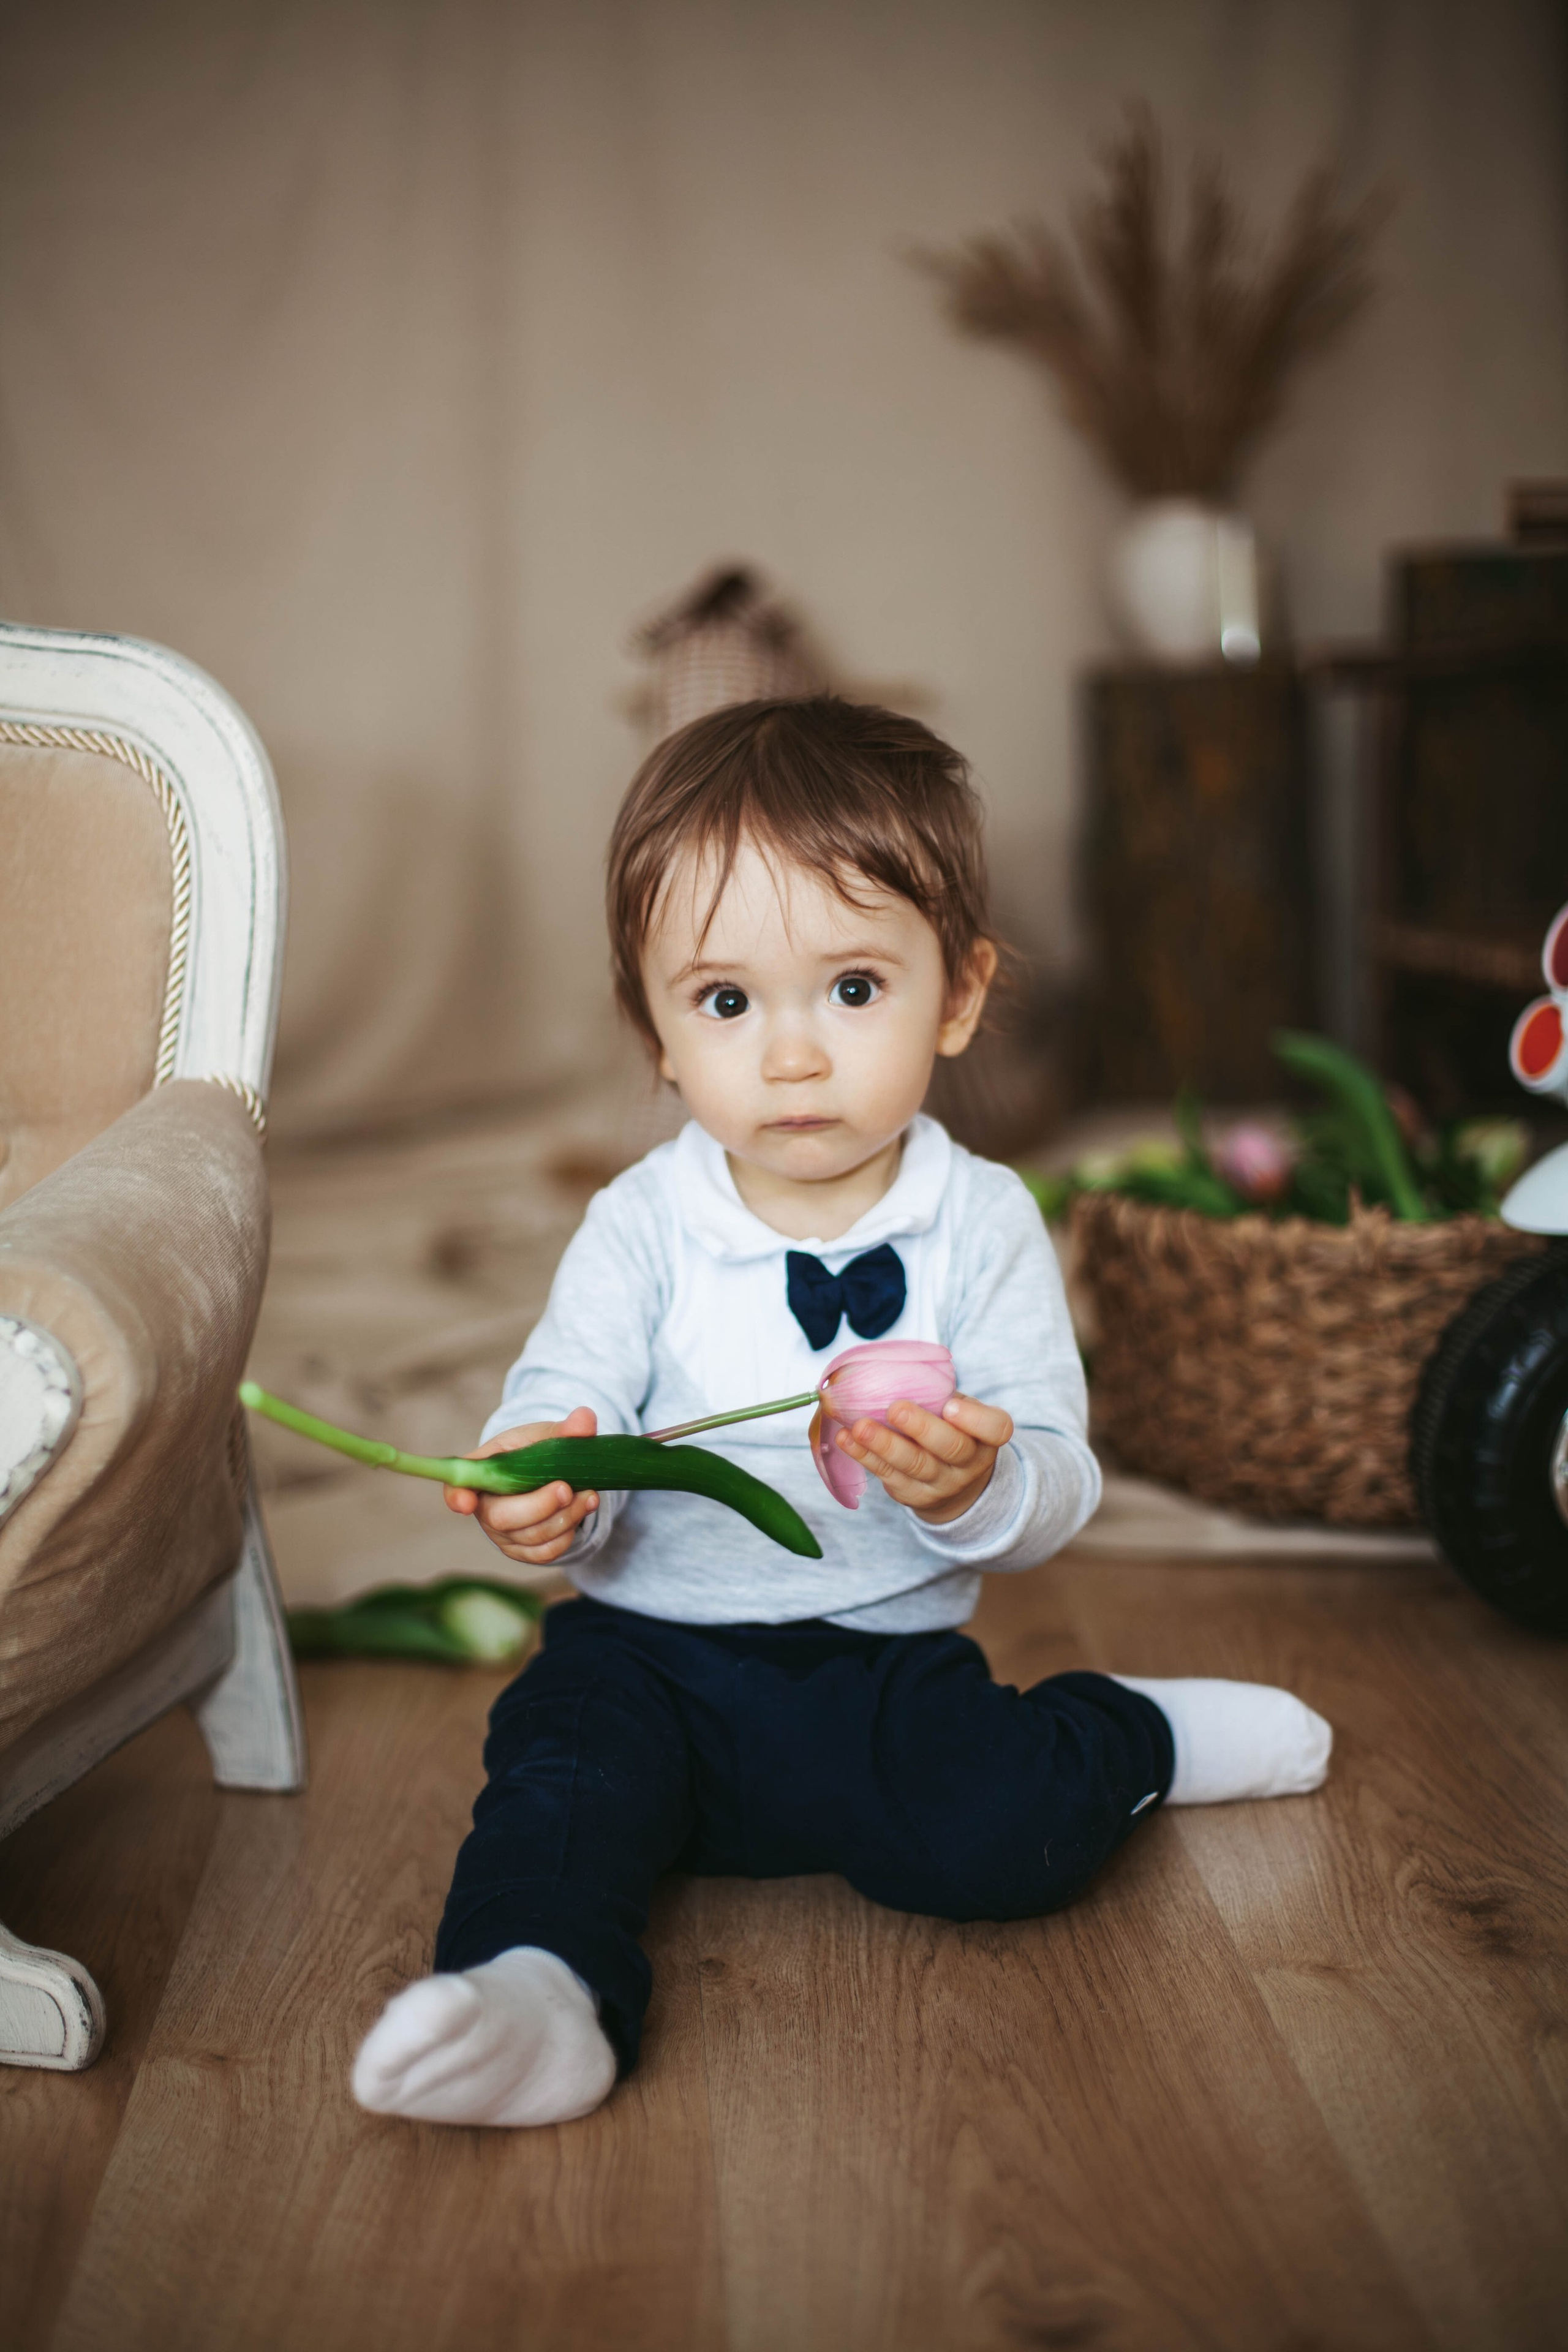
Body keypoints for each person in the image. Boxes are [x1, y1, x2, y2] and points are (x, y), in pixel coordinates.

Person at [352, 698, 1331, 2129]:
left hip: (879, 1669)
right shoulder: (640, 1224)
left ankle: (1136, 1737)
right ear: (657, 1034)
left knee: (1002, 1841)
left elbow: (1059, 1476)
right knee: (553, 1782)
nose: (792, 1056)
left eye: (853, 989)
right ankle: (542, 1995)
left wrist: (969, 1488)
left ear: (960, 995)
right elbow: (565, 1391)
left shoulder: (984, 1222)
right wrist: (547, 1479)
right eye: (727, 1002)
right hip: (649, 1662)